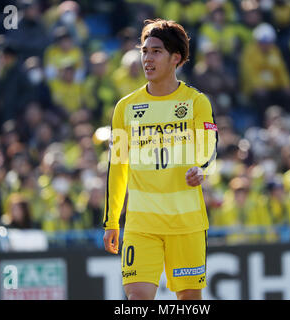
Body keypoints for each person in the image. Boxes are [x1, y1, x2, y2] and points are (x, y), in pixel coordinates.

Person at [103, 19, 218, 300]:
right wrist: (111, 222)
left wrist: (202, 169)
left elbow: (210, 146)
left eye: (155, 51)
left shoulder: (196, 102)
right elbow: (118, 167)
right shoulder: (125, 108)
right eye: (144, 51)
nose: (147, 58)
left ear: (175, 58)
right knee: (138, 298)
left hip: (186, 223)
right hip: (142, 225)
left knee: (190, 300)